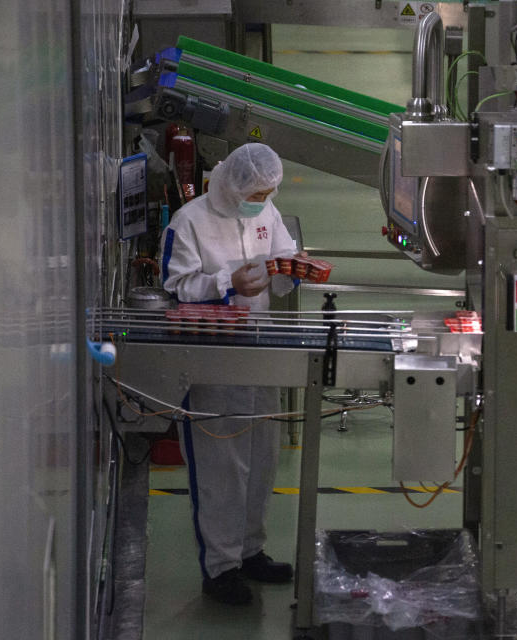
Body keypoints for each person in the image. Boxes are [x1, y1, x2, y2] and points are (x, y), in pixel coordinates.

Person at [159, 143, 301, 605]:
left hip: (258, 349)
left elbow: (281, 255)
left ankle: (251, 550)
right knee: (221, 465)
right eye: (259, 191)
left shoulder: (264, 208)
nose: (265, 198)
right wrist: (227, 284)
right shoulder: (190, 222)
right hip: (212, 357)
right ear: (236, 185)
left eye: (270, 192)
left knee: (262, 456)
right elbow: (177, 287)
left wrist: (294, 269)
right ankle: (220, 569)